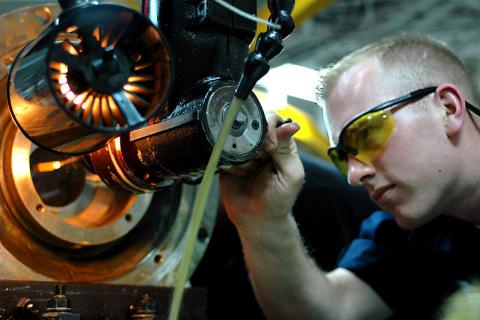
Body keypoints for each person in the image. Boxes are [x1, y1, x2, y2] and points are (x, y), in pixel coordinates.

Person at [220, 33, 480, 320]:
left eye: (367, 134)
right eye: (341, 157)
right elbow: (327, 311)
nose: (354, 176)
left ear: (448, 108)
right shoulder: (414, 234)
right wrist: (262, 219)